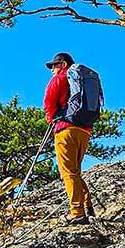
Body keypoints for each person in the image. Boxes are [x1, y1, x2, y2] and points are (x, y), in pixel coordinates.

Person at [43, 52, 95, 224]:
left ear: (63, 64)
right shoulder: (81, 80)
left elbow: (49, 103)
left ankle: (77, 212)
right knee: (75, 171)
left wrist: (52, 121)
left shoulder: (60, 79)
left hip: (66, 130)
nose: (52, 70)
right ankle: (87, 207)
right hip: (85, 131)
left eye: (54, 66)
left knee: (68, 172)